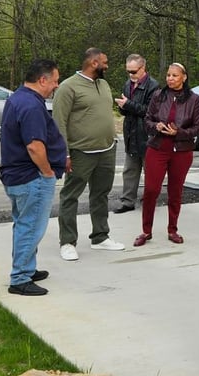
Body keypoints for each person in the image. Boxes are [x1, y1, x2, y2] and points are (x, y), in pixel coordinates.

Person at [0, 59, 66, 297]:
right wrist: (48, 171)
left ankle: (27, 268)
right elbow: (35, 146)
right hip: (31, 177)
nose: (56, 86)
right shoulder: (31, 106)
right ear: (42, 80)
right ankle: (20, 279)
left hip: (17, 176)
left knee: (24, 223)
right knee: (31, 227)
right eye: (55, 81)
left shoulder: (18, 98)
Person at [53, 48, 125, 261]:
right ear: (94, 63)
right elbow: (59, 123)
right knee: (70, 196)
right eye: (105, 62)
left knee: (101, 193)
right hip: (80, 152)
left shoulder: (103, 84)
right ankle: (67, 242)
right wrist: (63, 154)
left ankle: (100, 236)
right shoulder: (68, 87)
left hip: (106, 150)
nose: (107, 65)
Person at [136, 63, 199, 246]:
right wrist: (155, 126)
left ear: (184, 77)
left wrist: (179, 132)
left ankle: (172, 229)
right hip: (157, 147)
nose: (170, 79)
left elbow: (198, 127)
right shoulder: (158, 95)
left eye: (174, 75)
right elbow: (147, 119)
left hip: (181, 151)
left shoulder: (193, 99)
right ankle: (146, 231)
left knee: (175, 191)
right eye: (168, 75)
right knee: (151, 190)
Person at [115, 54, 161, 214]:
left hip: (147, 135)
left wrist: (128, 104)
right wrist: (122, 106)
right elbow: (126, 110)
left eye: (134, 71)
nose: (130, 75)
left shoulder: (154, 86)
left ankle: (149, 202)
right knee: (129, 171)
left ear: (143, 68)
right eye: (128, 71)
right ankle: (127, 202)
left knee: (150, 172)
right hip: (131, 133)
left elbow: (151, 111)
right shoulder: (128, 84)